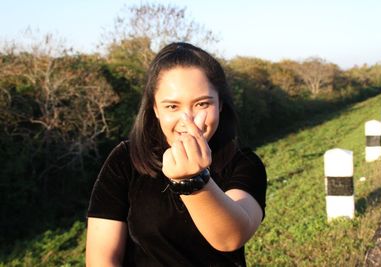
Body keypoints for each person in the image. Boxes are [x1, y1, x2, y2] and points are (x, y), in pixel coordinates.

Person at [86, 42, 267, 266]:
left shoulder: (245, 163)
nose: (188, 120)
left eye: (202, 104)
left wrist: (193, 182)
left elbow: (231, 238)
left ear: (220, 104)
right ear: (155, 109)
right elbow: (102, 258)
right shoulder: (125, 159)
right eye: (172, 106)